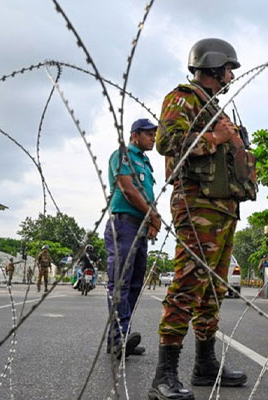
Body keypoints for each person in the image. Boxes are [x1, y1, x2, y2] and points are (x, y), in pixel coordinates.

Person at [150, 38, 255, 400]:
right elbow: (168, 142)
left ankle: (205, 363)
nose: (230, 75)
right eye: (228, 68)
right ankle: (164, 375)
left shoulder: (214, 106)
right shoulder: (184, 98)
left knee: (213, 289)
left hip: (222, 207)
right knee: (189, 283)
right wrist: (215, 137)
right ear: (211, 66)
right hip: (196, 205)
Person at [105, 118, 161, 359]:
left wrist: (151, 221)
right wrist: (153, 215)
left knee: (135, 285)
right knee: (120, 283)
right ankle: (120, 339)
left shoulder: (146, 164)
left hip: (140, 226)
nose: (153, 138)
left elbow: (146, 193)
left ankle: (118, 338)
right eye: (149, 134)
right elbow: (128, 189)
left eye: (155, 134)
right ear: (135, 135)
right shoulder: (124, 154)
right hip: (124, 225)